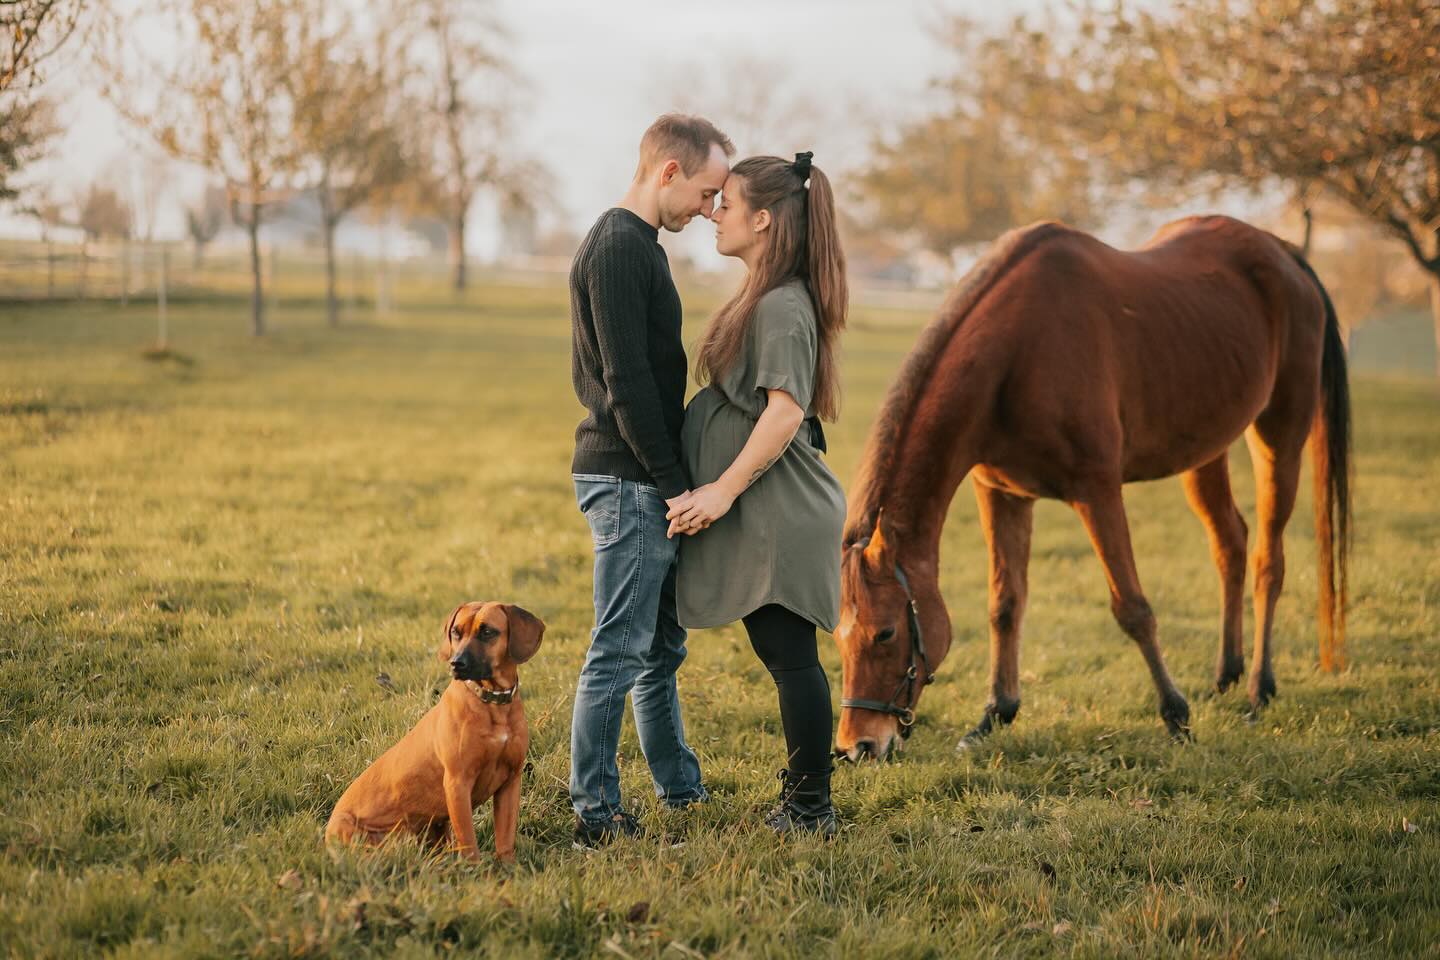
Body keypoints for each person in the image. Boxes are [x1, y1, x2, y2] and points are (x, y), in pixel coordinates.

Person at [668, 151, 848, 836]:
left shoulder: (781, 306)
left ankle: (810, 808)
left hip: (779, 510)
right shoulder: (770, 297)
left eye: (730, 204)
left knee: (788, 655)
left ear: (765, 219)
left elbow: (783, 410)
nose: (716, 213)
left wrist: (719, 491)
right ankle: (808, 801)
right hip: (772, 507)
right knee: (782, 653)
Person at [567, 114, 733, 848]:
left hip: (647, 480)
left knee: (658, 652)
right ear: (668, 171)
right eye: (704, 193)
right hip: (630, 479)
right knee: (619, 650)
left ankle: (680, 788)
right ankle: (596, 812)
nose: (708, 210)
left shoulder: (643, 248)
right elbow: (627, 386)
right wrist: (674, 487)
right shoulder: (616, 249)